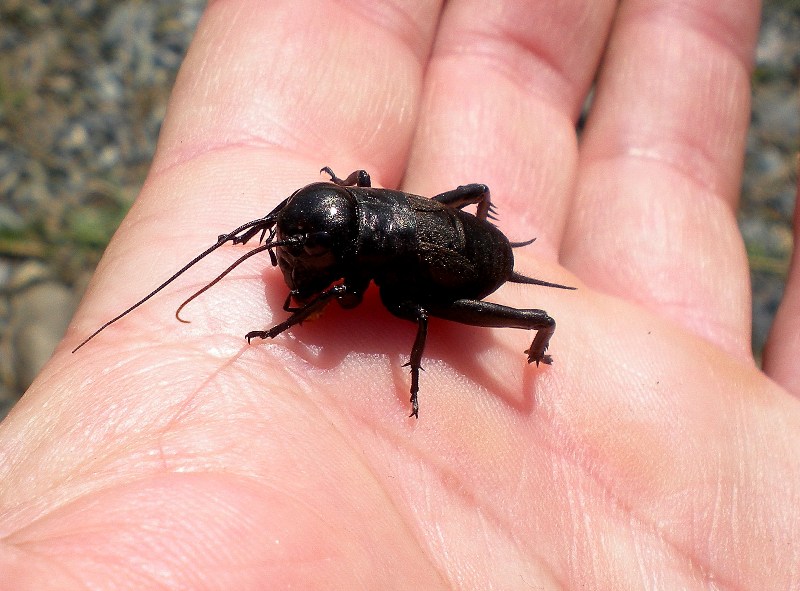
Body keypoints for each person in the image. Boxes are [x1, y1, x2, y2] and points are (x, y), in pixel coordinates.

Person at [2, 1, 797, 587]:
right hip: (401, 226)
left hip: (462, 275)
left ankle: (537, 349)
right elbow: (322, 218)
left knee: (488, 311)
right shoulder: (350, 205)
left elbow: (396, 310)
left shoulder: (370, 268)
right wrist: (270, 231)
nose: (289, 250)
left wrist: (314, 342)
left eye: (298, 239)